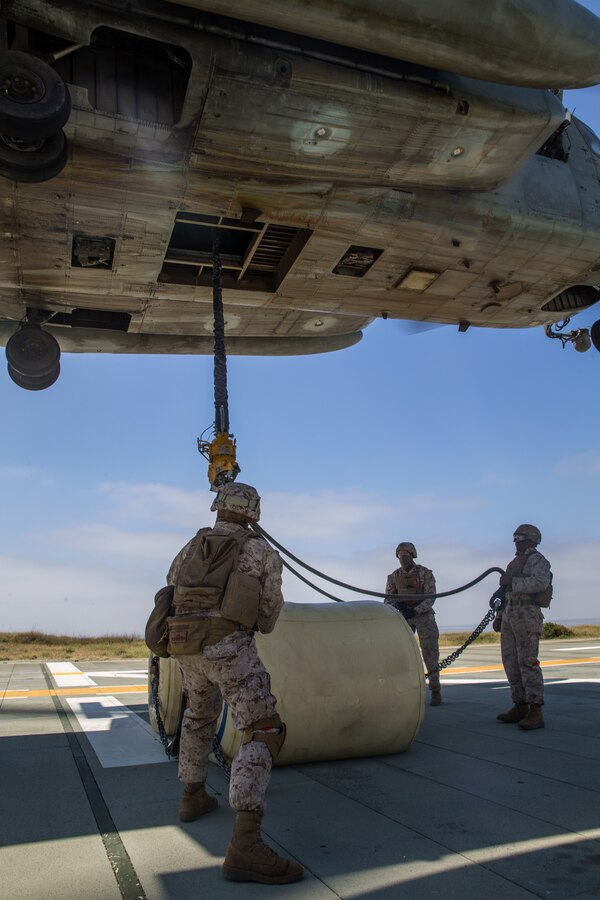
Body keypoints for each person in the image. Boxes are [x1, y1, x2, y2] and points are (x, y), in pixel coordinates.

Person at [166, 481, 303, 885]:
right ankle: (245, 843)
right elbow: (268, 611)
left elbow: (172, 582)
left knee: (198, 713)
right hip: (227, 646)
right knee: (263, 728)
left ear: (219, 508)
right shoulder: (260, 551)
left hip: (184, 644)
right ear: (253, 513)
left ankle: (192, 795)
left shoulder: (192, 546)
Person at [495, 523, 552, 731]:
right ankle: (519, 704)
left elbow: (540, 583)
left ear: (531, 540)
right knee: (510, 661)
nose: (516, 543)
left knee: (528, 662)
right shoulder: (514, 563)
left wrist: (513, 582)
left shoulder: (538, 560)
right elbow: (506, 592)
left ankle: (536, 709)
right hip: (510, 615)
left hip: (527, 615)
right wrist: (500, 616)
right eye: (515, 539)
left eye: (519, 538)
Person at [385, 542, 441, 706]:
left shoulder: (425, 573)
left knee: (430, 654)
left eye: (406, 555)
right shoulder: (394, 577)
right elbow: (388, 598)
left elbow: (431, 597)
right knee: (401, 654)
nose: (403, 559)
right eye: (400, 556)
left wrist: (416, 610)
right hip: (404, 617)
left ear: (412, 555)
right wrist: (399, 606)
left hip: (424, 617)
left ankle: (436, 690)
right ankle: (405, 692)